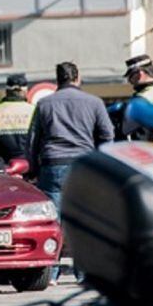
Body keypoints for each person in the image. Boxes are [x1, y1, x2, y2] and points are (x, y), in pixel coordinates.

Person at [27, 62, 114, 215]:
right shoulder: (94, 102)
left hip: (53, 165)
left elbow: (33, 140)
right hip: (84, 164)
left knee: (55, 215)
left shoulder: (44, 104)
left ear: (58, 80)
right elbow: (108, 135)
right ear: (78, 78)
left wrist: (33, 169)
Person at [0, 73, 35, 164]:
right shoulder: (34, 111)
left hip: (5, 170)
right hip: (32, 169)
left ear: (6, 91)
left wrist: (2, 165)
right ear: (25, 91)